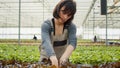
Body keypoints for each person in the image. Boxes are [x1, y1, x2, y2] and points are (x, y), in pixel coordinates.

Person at [39, 0, 77, 68]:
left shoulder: (71, 27)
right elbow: (46, 41)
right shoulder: (46, 25)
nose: (65, 17)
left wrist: (64, 58)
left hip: (63, 61)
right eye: (64, 12)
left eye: (69, 15)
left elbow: (73, 43)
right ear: (58, 9)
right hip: (46, 60)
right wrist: (53, 57)